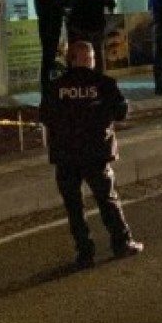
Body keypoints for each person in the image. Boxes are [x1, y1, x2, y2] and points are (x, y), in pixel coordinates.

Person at [39, 41, 144, 269]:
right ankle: (121, 243)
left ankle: (84, 252)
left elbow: (45, 116)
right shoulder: (104, 83)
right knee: (107, 200)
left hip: (66, 155)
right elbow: (120, 112)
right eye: (91, 57)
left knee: (74, 207)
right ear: (86, 59)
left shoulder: (55, 87)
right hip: (95, 153)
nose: (92, 61)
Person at [67, 0, 116, 73]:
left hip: (82, 28)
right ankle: (99, 75)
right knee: (98, 52)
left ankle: (85, 75)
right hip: (98, 27)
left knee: (83, 53)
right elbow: (111, 5)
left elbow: (74, 11)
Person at [33, 0, 65, 93]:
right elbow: (49, 12)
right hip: (49, 31)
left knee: (48, 57)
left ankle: (47, 83)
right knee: (48, 58)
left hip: (48, 30)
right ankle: (46, 83)